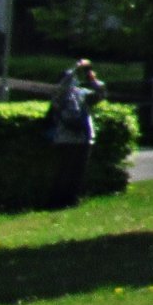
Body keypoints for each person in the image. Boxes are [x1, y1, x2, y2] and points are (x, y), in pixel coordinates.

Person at [45, 59, 103, 209]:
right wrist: (76, 68)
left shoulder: (82, 94)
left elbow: (100, 93)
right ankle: (56, 202)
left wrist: (92, 79)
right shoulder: (59, 95)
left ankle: (72, 200)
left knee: (78, 173)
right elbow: (63, 87)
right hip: (65, 138)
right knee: (64, 172)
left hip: (83, 138)